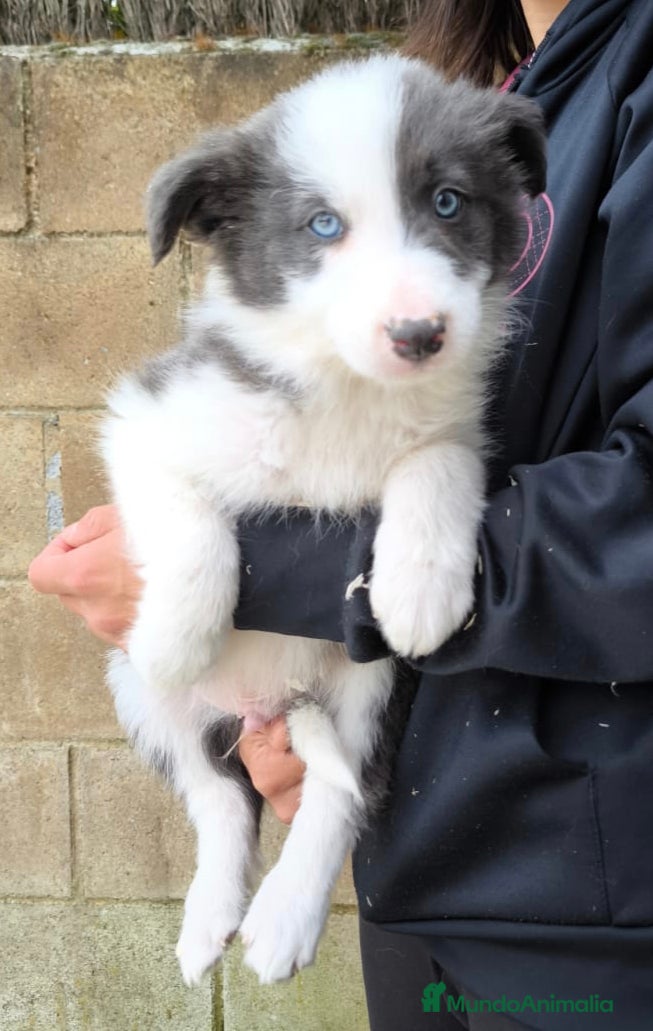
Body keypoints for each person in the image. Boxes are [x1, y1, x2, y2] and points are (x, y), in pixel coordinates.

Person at [29, 0, 653, 1026]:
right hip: (428, 859)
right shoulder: (507, 80)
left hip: (593, 902)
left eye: (442, 208)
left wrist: (269, 574)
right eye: (330, 226)